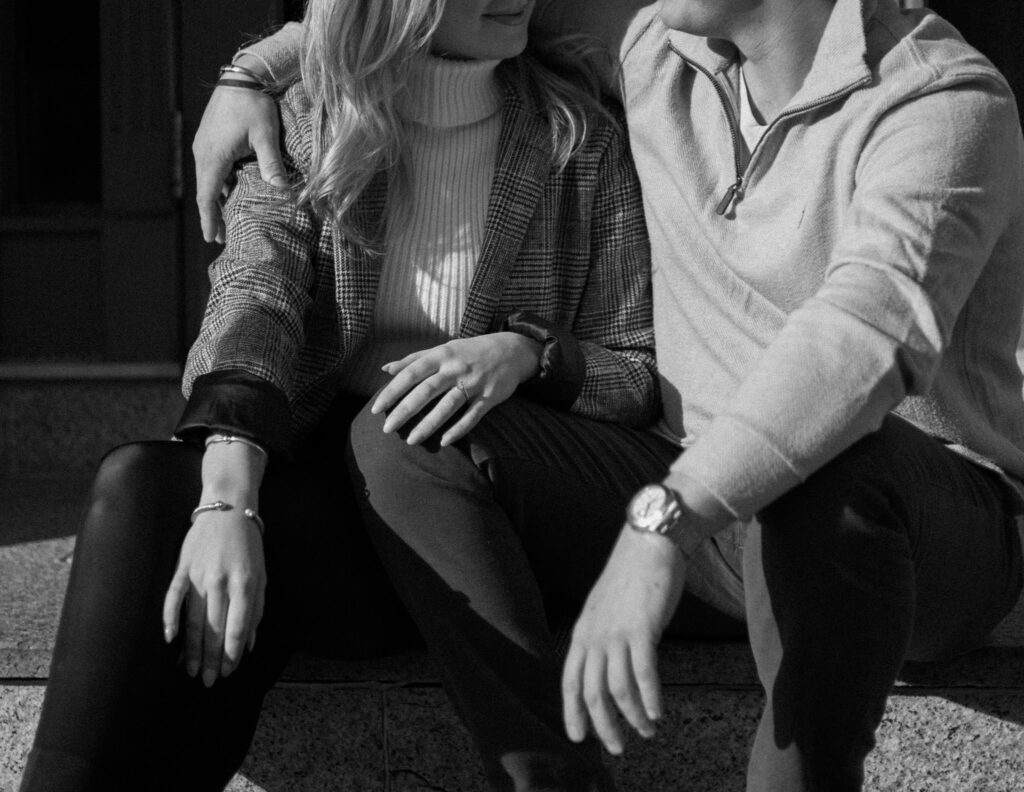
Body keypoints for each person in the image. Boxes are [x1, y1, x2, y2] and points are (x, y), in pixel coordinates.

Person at [189, 0, 1024, 790]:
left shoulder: (942, 103)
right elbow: (416, 13)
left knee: (833, 462)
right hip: (697, 511)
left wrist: (662, 519)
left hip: (920, 530)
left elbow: (858, 344)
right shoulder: (660, 43)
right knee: (410, 425)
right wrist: (251, 75)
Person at [19, 0, 663, 790]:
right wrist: (227, 503)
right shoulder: (306, 125)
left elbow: (632, 374)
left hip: (477, 528)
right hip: (330, 511)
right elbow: (255, 299)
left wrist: (529, 356)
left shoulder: (576, 138)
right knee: (144, 488)